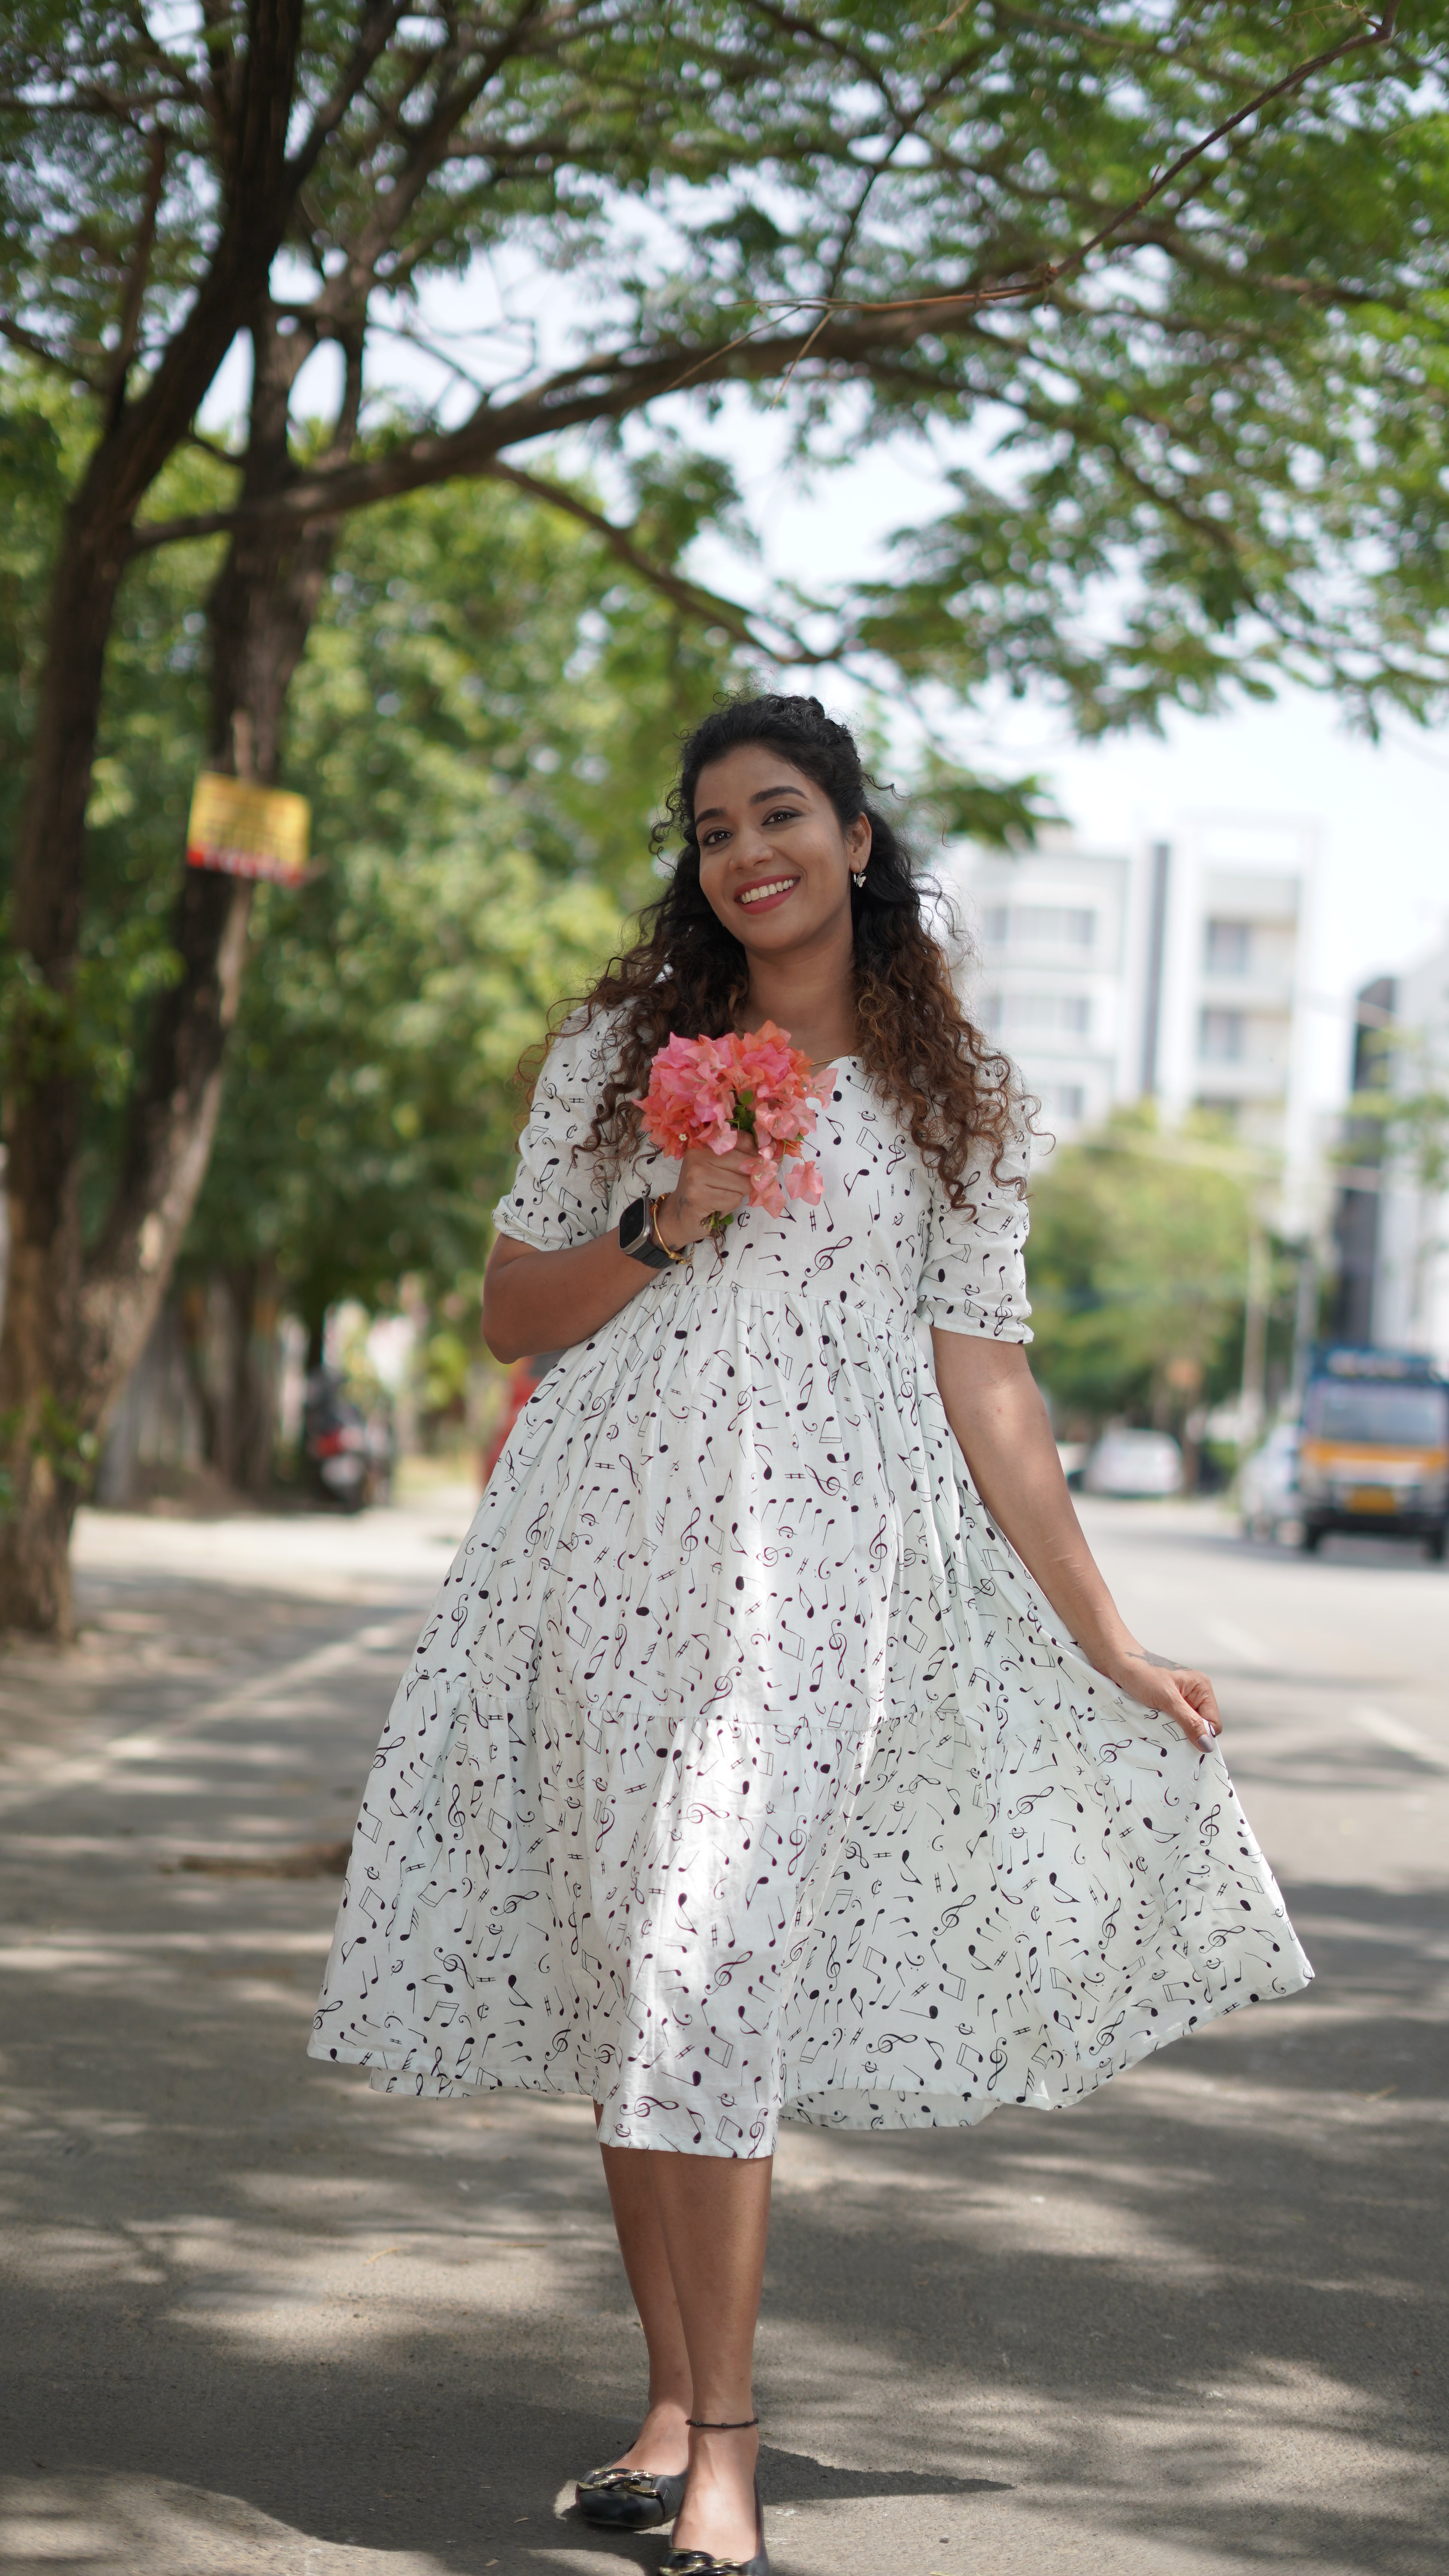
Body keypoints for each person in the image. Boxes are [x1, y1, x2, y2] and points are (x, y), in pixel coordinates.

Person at [310, 695, 1310, 2576]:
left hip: (814, 1583)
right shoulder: (620, 1049)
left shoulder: (956, 1097)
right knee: (636, 1986)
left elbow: (990, 1385)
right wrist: (666, 1219)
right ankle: (673, 2407)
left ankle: (732, 2458)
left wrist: (1106, 1638)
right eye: (709, 828)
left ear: (856, 840)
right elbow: (517, 1312)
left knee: (702, 1964)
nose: (744, 851)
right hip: (600, 1566)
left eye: (780, 814)